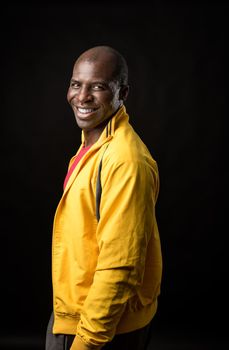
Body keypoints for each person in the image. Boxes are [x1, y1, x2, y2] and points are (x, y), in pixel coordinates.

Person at [45, 45, 162, 350]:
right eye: (76, 84)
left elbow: (120, 266)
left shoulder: (126, 161)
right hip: (76, 313)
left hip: (102, 329)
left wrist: (86, 341)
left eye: (97, 87)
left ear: (122, 92)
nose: (82, 97)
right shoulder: (92, 147)